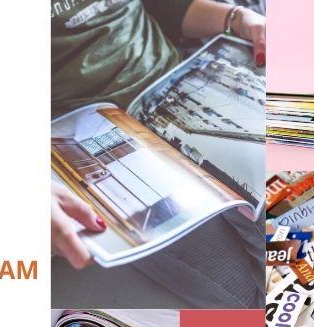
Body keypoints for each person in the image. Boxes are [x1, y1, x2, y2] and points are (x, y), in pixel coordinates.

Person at [51, 0, 266, 307]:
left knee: (292, 225)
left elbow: (164, 6)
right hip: (86, 135)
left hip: (178, 84)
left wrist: (237, 17)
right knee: (241, 297)